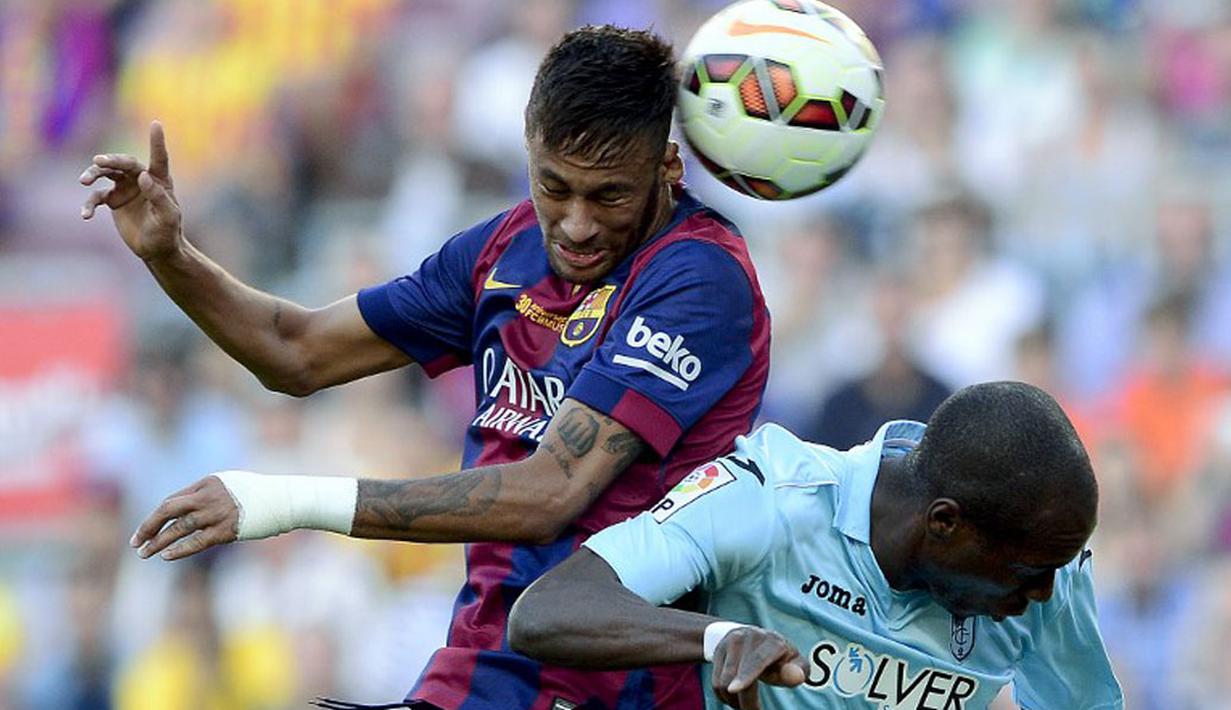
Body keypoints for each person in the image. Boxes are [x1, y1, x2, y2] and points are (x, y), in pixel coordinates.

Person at [78, 26, 770, 710]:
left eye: (609, 195)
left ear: (667, 168)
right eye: (554, 187)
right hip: (483, 666)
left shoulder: (698, 279)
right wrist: (170, 254)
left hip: (621, 684)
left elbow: (549, 493)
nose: (577, 223)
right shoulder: (505, 249)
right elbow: (296, 350)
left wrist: (280, 502)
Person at [508, 381, 1124, 710]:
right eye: (1027, 573)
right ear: (945, 523)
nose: (1043, 594)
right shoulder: (773, 500)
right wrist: (717, 637)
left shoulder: (1049, 568)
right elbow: (548, 612)